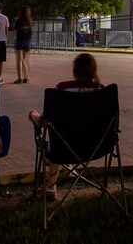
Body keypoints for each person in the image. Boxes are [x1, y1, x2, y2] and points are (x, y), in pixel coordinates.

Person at [29, 53, 103, 200]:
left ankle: (51, 186)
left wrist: (33, 115)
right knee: (59, 133)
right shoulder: (103, 91)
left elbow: (44, 121)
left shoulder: (62, 89)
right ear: (94, 71)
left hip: (64, 148)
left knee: (56, 133)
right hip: (97, 146)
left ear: (74, 72)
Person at [12, 6, 33, 84]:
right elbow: (30, 32)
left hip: (19, 41)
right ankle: (26, 77)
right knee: (25, 60)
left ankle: (19, 78)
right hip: (27, 42)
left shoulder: (18, 21)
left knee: (19, 60)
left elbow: (15, 30)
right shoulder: (30, 21)